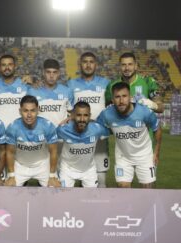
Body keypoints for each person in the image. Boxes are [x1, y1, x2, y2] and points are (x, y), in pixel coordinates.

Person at [97, 82, 162, 188]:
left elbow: (157, 129)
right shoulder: (106, 114)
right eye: (117, 97)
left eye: (124, 96)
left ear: (130, 97)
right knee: (123, 190)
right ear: (113, 100)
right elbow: (96, 128)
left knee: (149, 190)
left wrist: (156, 152)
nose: (121, 101)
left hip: (144, 156)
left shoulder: (144, 112)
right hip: (123, 158)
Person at [68, 52, 111, 187]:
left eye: (91, 61)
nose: (88, 65)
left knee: (101, 179)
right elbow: (69, 110)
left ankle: (101, 207)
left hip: (100, 138)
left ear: (96, 64)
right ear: (80, 64)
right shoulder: (71, 84)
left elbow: (111, 108)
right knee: (76, 176)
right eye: (85, 62)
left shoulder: (105, 83)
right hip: (78, 137)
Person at [5, 95, 59, 187]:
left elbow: (53, 151)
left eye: (32, 110)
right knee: (9, 190)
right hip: (20, 166)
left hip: (42, 165)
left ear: (38, 110)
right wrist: (11, 175)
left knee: (54, 190)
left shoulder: (48, 126)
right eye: (25, 111)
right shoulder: (13, 127)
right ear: (20, 111)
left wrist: (52, 175)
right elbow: (9, 153)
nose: (29, 115)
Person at [57, 101, 110, 187]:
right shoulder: (63, 130)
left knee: (91, 198)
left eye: (85, 115)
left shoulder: (97, 129)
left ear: (89, 116)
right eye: (78, 115)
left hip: (88, 170)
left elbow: (109, 131)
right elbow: (51, 139)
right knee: (64, 196)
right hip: (68, 169)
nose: (82, 119)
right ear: (73, 115)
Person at [28, 59, 74, 127]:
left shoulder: (67, 91)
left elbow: (73, 113)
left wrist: (70, 118)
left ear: (59, 73)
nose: (51, 76)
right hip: (40, 133)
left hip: (61, 133)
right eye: (48, 72)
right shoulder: (33, 91)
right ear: (43, 73)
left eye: (54, 72)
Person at [0, 54, 28, 128]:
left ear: (15, 67)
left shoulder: (24, 84)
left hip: (18, 132)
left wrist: (34, 79)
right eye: (3, 65)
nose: (7, 67)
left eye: (10, 64)